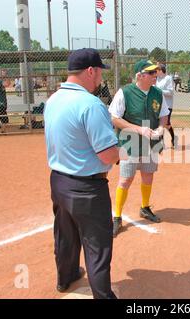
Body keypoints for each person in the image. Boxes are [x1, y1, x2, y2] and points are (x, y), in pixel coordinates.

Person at [44, 48, 122, 299]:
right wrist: (123, 151)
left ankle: (65, 278)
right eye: (99, 72)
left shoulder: (53, 99)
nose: (100, 78)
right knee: (97, 245)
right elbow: (108, 155)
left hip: (58, 181)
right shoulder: (91, 104)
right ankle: (103, 295)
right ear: (91, 71)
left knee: (65, 235)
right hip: (87, 188)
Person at [109, 59, 169, 237]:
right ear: (139, 75)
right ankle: (117, 217)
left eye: (155, 72)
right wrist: (138, 129)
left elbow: (164, 115)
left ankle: (144, 207)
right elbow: (114, 118)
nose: (155, 76)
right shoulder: (125, 92)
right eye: (151, 73)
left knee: (148, 176)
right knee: (126, 179)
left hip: (151, 143)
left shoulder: (158, 93)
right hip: (130, 142)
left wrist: (161, 128)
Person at [156, 63, 177, 148]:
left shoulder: (168, 78)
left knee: (166, 124)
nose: (155, 72)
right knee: (159, 124)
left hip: (167, 105)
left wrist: (159, 91)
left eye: (156, 70)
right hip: (158, 105)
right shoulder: (156, 79)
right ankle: (161, 143)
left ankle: (173, 139)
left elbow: (170, 92)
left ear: (161, 70)